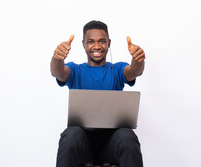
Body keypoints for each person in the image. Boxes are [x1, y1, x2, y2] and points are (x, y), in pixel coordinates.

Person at [50, 20, 145, 167]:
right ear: (83, 44)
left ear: (109, 43)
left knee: (127, 135)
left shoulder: (117, 69)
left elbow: (134, 71)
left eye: (102, 41)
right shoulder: (75, 70)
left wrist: (138, 59)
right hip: (83, 143)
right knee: (70, 135)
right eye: (91, 42)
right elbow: (58, 72)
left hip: (111, 142)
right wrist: (57, 58)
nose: (96, 46)